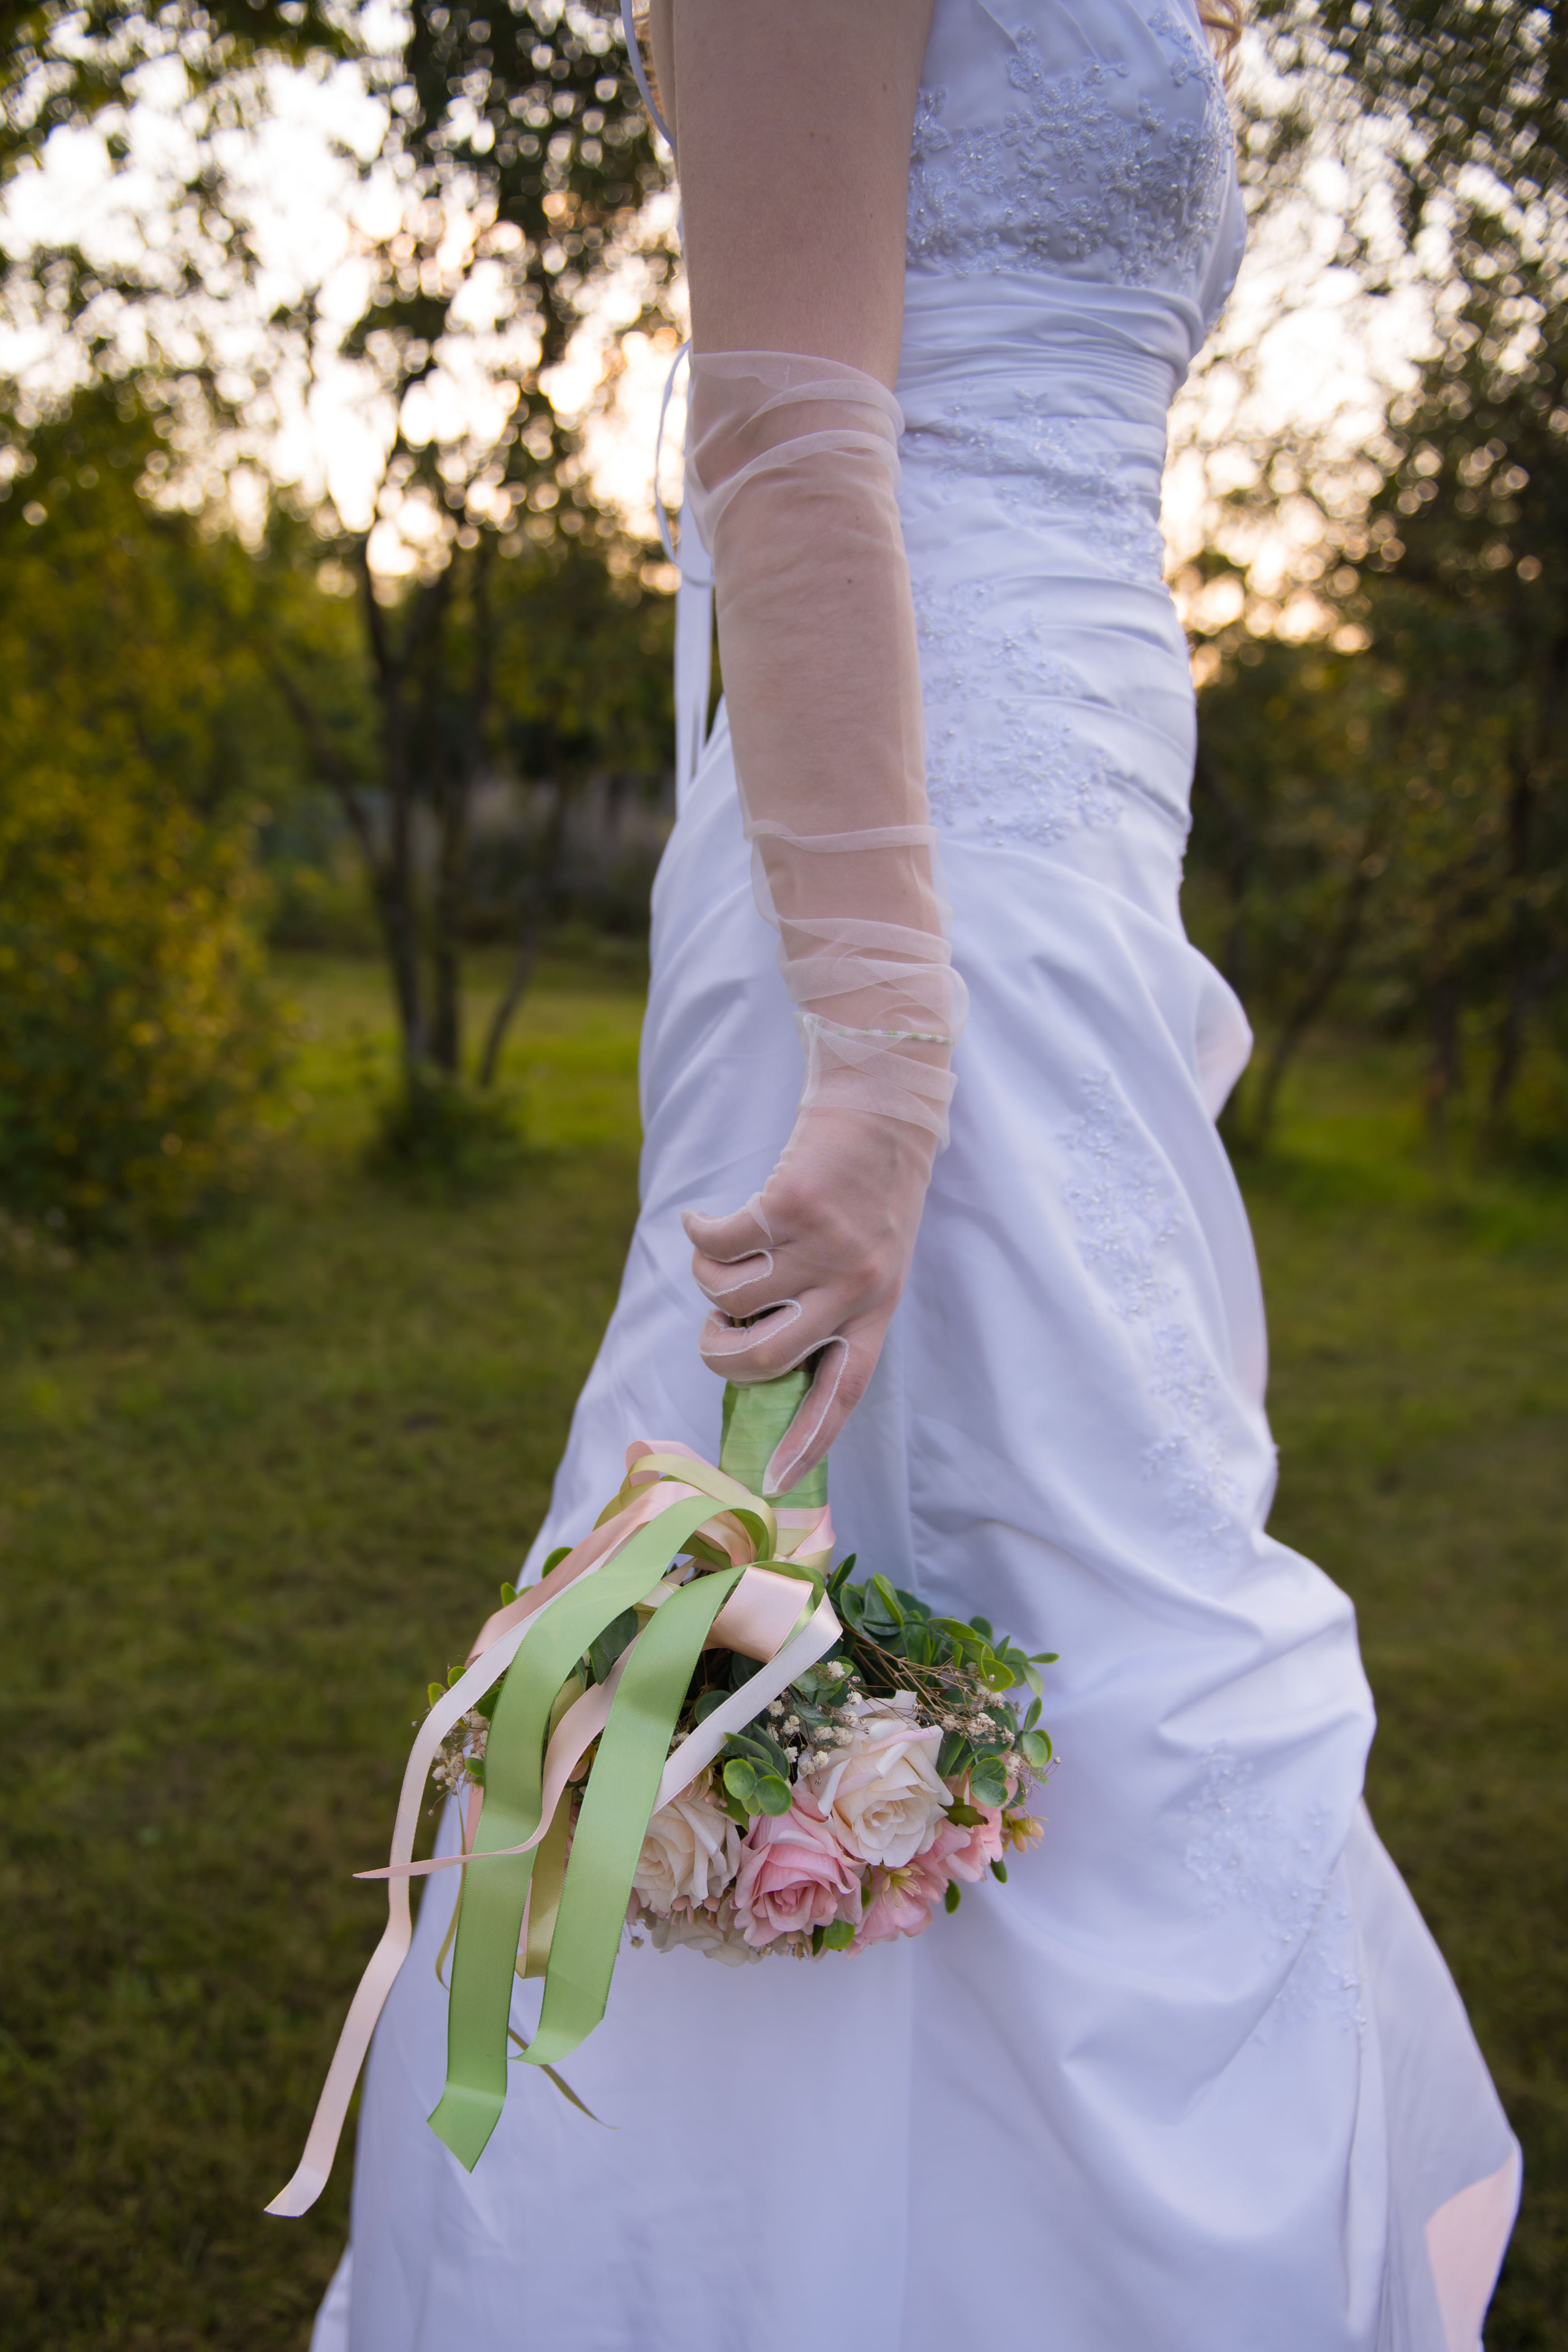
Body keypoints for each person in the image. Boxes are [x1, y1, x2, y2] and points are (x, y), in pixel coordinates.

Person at [312, 1, 1520, 2343]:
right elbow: (779, 427)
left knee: (1089, 1578)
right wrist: (876, 1038)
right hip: (907, 858)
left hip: (1074, 832)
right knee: (835, 1545)